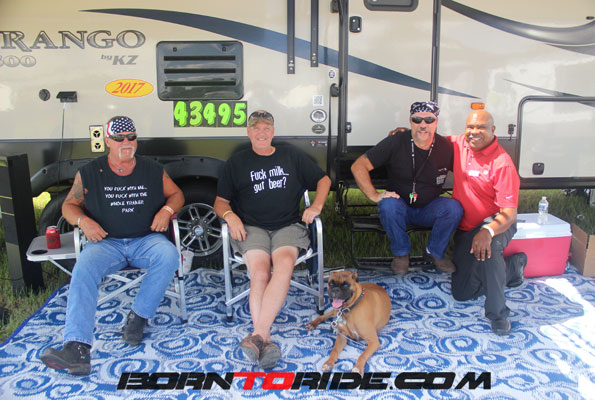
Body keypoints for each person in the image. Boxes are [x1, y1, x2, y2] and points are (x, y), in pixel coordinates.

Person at [40, 116, 185, 375]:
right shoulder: (90, 172)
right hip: (107, 242)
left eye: (131, 137)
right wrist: (83, 221)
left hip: (146, 239)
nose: (126, 142)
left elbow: (177, 194)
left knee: (169, 255)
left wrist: (166, 211)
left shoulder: (152, 169)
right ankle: (77, 348)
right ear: (107, 141)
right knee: (83, 268)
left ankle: (138, 316)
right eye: (119, 138)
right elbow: (69, 205)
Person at [214, 110, 331, 369]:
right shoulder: (237, 162)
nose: (261, 132)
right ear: (248, 132)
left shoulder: (290, 155)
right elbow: (220, 202)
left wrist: (317, 206)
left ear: (273, 132)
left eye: (266, 128)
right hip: (250, 227)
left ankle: (258, 336)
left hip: (287, 226)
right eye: (256, 128)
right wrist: (230, 216)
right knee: (259, 273)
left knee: (284, 266)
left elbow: (323, 179)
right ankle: (265, 339)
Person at [351, 101, 463, 275]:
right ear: (410, 121)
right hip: (400, 206)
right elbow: (359, 166)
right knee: (387, 204)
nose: (423, 125)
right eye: (417, 120)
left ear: (436, 122)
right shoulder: (395, 141)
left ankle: (434, 253)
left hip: (429, 208)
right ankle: (401, 253)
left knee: (453, 208)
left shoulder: (446, 147)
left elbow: (466, 173)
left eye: (429, 120)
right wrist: (374, 195)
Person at [449, 109, 527, 336]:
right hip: (467, 228)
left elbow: (509, 214)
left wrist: (488, 231)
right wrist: (404, 135)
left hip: (496, 223)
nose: (474, 132)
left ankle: (498, 313)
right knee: (462, 293)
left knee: (489, 251)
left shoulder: (502, 163)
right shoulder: (459, 144)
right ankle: (512, 269)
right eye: (470, 127)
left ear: (493, 130)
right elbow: (428, 139)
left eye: (481, 127)